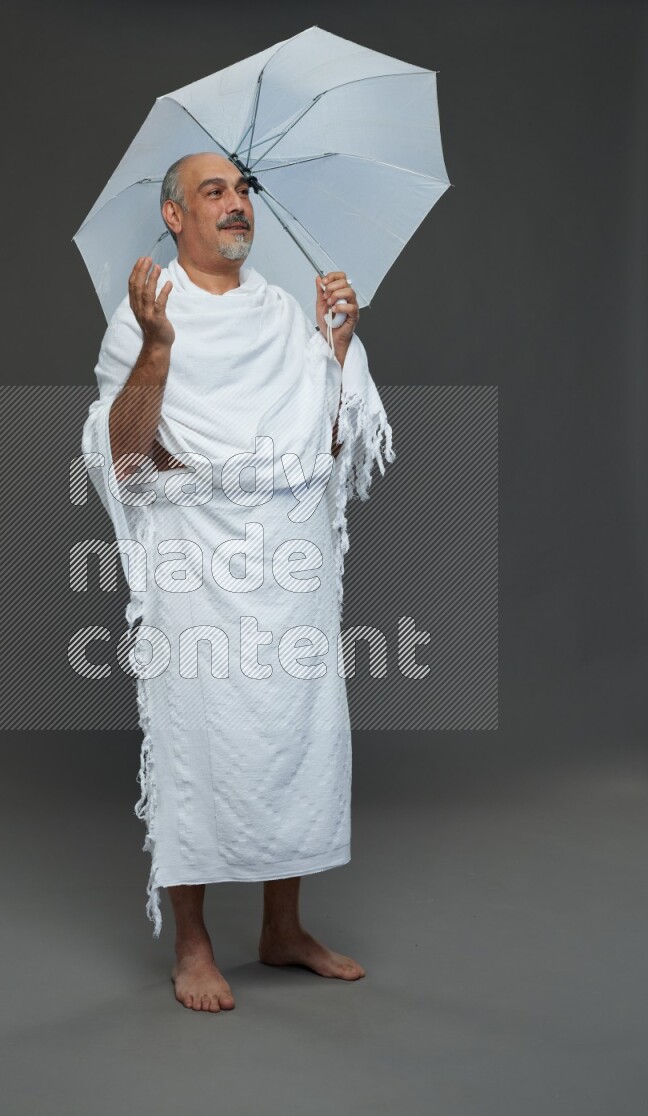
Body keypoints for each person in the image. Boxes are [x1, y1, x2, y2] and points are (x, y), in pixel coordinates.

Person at [81, 152, 395, 1012]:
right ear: (174, 217)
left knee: (294, 731)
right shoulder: (144, 317)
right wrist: (156, 349)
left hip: (288, 557)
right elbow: (128, 457)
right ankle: (193, 942)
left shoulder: (284, 311)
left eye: (243, 190)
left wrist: (333, 348)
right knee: (198, 735)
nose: (236, 205)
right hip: (194, 554)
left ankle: (283, 928)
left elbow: (322, 451)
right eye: (213, 192)